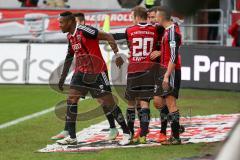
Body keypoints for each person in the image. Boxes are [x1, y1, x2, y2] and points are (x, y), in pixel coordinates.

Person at [55, 11, 131, 145]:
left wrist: (117, 54)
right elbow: (69, 57)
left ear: (70, 22)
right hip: (80, 73)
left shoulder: (85, 31)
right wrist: (62, 77)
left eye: (61, 22)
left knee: (108, 103)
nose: (59, 25)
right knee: (71, 99)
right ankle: (72, 137)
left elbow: (107, 36)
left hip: (97, 72)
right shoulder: (70, 37)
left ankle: (126, 132)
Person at [125, 6, 159, 144]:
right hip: (148, 70)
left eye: (133, 17)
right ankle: (144, 134)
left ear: (137, 17)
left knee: (130, 103)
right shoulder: (155, 29)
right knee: (145, 103)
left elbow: (130, 46)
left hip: (134, 69)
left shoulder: (129, 30)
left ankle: (131, 134)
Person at [155, 6, 182, 145]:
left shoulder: (172, 32)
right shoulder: (168, 31)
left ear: (162, 17)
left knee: (171, 103)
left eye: (156, 16)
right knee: (159, 101)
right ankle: (177, 127)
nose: (155, 18)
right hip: (164, 70)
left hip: (170, 71)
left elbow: (173, 56)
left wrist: (167, 75)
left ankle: (176, 137)